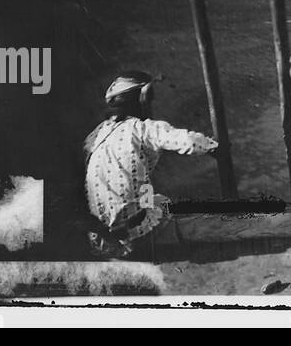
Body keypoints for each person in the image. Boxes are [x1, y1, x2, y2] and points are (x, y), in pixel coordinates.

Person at [83, 72, 218, 256]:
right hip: (133, 233)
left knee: (145, 193)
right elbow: (189, 142)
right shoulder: (142, 129)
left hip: (100, 238)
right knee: (163, 204)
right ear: (142, 98)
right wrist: (213, 146)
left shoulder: (95, 135)